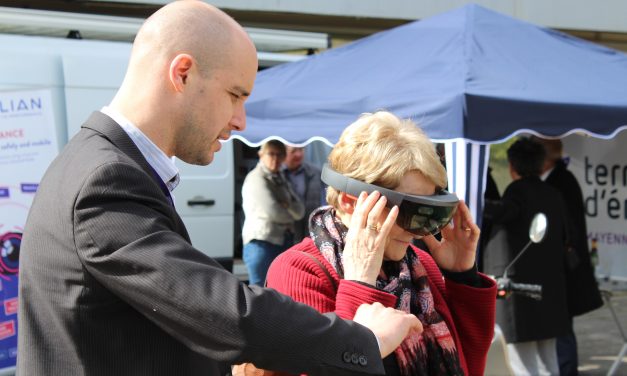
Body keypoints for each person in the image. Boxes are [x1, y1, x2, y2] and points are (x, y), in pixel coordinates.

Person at [17, 2, 423, 375]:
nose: (241, 120)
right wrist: (361, 339)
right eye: (235, 95)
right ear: (182, 73)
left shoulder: (100, 162)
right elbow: (225, 311)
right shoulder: (104, 180)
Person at [264, 112, 497, 375]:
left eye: (429, 211)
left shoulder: (418, 265)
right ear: (349, 201)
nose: (416, 232)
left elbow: (469, 365)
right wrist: (359, 286)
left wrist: (462, 277)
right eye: (406, 210)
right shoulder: (299, 271)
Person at [482, 137, 571, 376]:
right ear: (542, 165)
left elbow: (502, 212)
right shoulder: (553, 194)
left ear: (512, 166)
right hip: (549, 289)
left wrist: (468, 200)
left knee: (522, 365)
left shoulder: (516, 192)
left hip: (518, 292)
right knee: (549, 361)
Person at [534, 137, 603, 376]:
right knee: (559, 331)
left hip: (562, 272)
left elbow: (564, 228)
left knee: (561, 332)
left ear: (545, 158)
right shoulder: (559, 179)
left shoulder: (560, 182)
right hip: (559, 271)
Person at [242, 140, 304, 286]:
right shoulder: (256, 178)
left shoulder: (280, 177)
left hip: (280, 240)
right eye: (271, 154)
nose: (275, 159)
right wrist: (289, 209)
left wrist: (286, 206)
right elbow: (275, 212)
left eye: (279, 154)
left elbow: (300, 210)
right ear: (260, 155)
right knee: (259, 290)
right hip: (262, 242)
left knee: (279, 288)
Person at [282, 145, 324, 242]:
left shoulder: (315, 172)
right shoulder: (276, 175)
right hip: (284, 235)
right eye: (293, 151)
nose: (299, 154)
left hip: (309, 231)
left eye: (301, 150)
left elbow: (324, 200)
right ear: (283, 153)